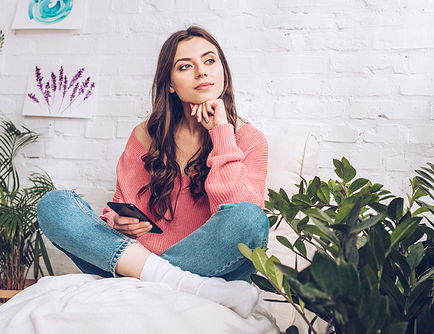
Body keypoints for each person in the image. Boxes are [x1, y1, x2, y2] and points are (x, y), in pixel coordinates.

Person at [37, 26, 269, 318]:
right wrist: (119, 222)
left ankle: (147, 280)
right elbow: (120, 204)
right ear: (170, 83)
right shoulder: (144, 137)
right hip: (146, 258)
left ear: (223, 72)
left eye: (210, 61)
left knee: (250, 218)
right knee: (54, 205)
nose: (201, 72)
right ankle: (186, 286)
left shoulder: (249, 139)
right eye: (185, 66)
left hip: (212, 268)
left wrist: (222, 133)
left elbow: (240, 216)